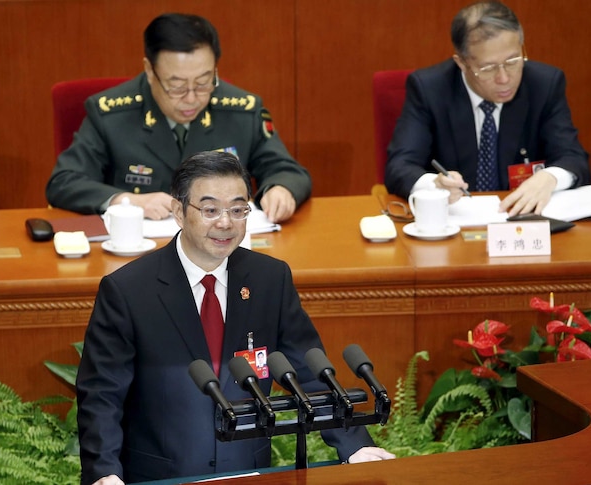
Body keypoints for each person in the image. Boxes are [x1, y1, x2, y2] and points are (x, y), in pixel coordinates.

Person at [76, 151, 393, 485]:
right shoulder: (129, 290)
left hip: (249, 473)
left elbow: (309, 375)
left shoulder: (270, 279)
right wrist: (104, 472)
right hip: (161, 476)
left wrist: (354, 446)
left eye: (238, 209)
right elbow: (102, 395)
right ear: (179, 212)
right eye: (210, 210)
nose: (225, 222)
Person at [46, 13, 311, 224]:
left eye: (204, 82)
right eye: (177, 86)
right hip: (139, 258)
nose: (192, 97)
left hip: (222, 251)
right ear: (150, 70)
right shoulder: (111, 114)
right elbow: (64, 182)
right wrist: (128, 201)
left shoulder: (242, 110)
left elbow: (287, 171)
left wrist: (281, 189)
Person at [384, 1, 589, 216]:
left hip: (522, 224)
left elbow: (573, 157)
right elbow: (400, 165)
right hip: (453, 226)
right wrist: (434, 185)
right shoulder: (430, 89)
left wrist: (551, 177)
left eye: (512, 61)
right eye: (488, 68)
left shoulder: (544, 84)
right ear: (462, 63)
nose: (504, 78)